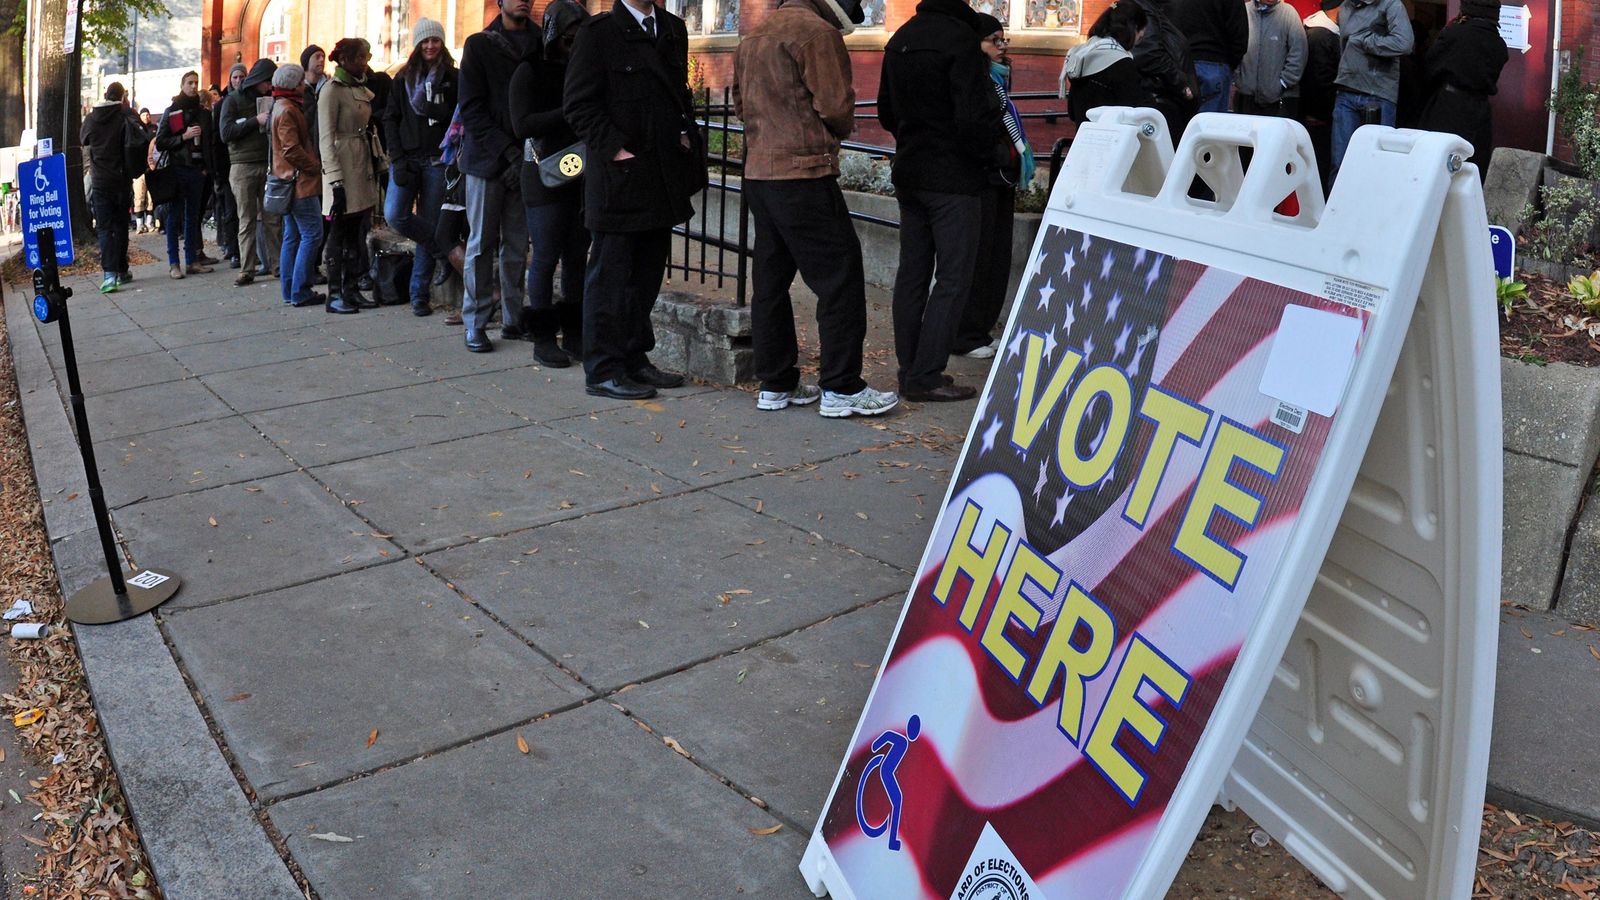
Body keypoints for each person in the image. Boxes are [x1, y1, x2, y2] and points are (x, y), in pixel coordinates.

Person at [731, 0, 900, 417]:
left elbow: (739, 103)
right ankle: (841, 387)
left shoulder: (754, 35)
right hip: (802, 172)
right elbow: (836, 105)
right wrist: (834, 129)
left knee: (770, 278)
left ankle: (776, 382)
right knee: (839, 278)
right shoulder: (815, 32)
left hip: (759, 171)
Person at [564, 0, 706, 399]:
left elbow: (678, 93)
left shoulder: (673, 29)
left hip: (661, 176)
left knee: (644, 279)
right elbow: (578, 104)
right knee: (610, 279)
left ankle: (634, 359)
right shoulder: (598, 33)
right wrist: (615, 149)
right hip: (619, 180)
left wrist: (683, 131)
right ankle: (603, 370)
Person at [878, 0, 1004, 403]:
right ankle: (926, 374)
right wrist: (987, 154)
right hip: (953, 176)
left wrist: (914, 135)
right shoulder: (960, 40)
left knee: (912, 273)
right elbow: (974, 116)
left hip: (911, 169)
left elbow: (885, 111)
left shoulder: (901, 37)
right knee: (953, 276)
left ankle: (909, 368)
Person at [458, 0, 543, 353]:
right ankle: (475, 322)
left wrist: (523, 156)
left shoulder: (540, 42)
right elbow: (472, 109)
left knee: (516, 246)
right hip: (487, 162)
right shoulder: (480, 44)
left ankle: (512, 318)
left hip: (527, 161)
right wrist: (508, 152)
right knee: (480, 246)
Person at [510, 0, 588, 365]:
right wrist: (567, 114)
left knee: (576, 256)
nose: (574, 46)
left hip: (580, 171)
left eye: (579, 40)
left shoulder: (583, 68)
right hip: (543, 174)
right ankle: (543, 337)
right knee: (545, 255)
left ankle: (574, 333)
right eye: (569, 39)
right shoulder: (531, 69)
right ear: (554, 36)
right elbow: (522, 123)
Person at [953, 15, 1035, 362]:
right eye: (993, 41)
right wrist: (1002, 155)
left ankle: (978, 330)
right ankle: (968, 333)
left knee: (995, 256)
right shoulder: (979, 81)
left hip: (999, 176)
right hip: (985, 177)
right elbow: (977, 129)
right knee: (982, 257)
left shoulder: (998, 79)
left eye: (1004, 40)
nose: (1002, 48)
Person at [382, 18, 458, 317]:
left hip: (439, 159)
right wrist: (397, 159)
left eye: (435, 40)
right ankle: (443, 251)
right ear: (416, 45)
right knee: (395, 214)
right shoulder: (403, 79)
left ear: (441, 43)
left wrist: (440, 111)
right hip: (408, 159)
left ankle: (419, 295)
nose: (430, 46)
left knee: (429, 219)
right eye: (425, 41)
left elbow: (459, 116)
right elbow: (390, 119)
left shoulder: (453, 77)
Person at [319, 38, 381, 314]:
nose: (364, 63)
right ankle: (334, 294)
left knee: (358, 231)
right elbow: (325, 138)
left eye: (366, 57)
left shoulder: (359, 87)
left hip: (361, 165)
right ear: (344, 60)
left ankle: (352, 288)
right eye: (360, 58)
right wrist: (335, 180)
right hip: (342, 168)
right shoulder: (331, 91)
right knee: (339, 231)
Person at [1417, 0, 1507, 177]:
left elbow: (1429, 66)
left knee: (1437, 167)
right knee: (1470, 169)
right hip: (1480, 113)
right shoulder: (1499, 45)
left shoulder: (1455, 33)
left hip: (1449, 107)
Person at [1329, 0, 1412, 175]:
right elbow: (1345, 47)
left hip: (1378, 94)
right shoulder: (1345, 7)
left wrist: (1364, 41)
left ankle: (1372, 202)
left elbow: (1404, 43)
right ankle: (1339, 203)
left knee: (1377, 165)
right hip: (1346, 89)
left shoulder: (1391, 5)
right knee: (1340, 163)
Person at [219, 57, 282, 286]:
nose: (270, 86)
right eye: (267, 82)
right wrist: (255, 121)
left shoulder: (269, 99)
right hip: (242, 166)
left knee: (272, 219)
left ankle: (277, 266)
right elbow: (225, 133)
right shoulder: (232, 101)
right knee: (246, 220)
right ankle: (247, 269)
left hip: (265, 163)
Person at [270, 63, 327, 310]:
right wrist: (314, 166)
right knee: (312, 234)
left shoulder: (280, 106)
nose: (304, 86)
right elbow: (291, 148)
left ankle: (290, 289)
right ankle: (300, 290)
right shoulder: (288, 110)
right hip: (298, 182)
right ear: (294, 85)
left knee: (292, 236)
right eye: (301, 83)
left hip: (288, 181)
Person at [80, 81, 143, 293]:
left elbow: (83, 139)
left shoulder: (91, 119)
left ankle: (109, 274)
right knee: (120, 226)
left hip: (100, 181)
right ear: (122, 97)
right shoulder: (124, 116)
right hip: (121, 180)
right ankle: (122, 269)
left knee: (104, 228)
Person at [157, 71, 217, 279]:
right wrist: (183, 137)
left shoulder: (203, 113)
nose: (193, 86)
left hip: (197, 170)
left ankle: (192, 260)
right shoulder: (172, 111)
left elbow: (209, 142)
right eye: (189, 83)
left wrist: (207, 168)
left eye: (196, 83)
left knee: (193, 216)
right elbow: (161, 141)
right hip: (177, 168)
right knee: (174, 217)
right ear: (182, 85)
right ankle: (174, 263)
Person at [1062, 2, 1149, 124]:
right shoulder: (1121, 63)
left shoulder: (1081, 55)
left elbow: (1072, 112)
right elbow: (1136, 111)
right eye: (1139, 37)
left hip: (1083, 137)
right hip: (1111, 138)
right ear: (1134, 28)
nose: (1136, 43)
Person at [1172, 0, 1247, 114]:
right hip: (1216, 64)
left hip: (1182, 63)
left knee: (1182, 125)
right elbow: (1240, 35)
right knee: (1211, 127)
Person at [1236, 0, 1307, 118]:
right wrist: (1239, 79)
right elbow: (1234, 46)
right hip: (1246, 95)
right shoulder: (1244, 11)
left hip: (1280, 98)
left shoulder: (1289, 13)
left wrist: (1284, 82)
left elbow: (1299, 52)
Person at [1299, 0, 1341, 189]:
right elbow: (1319, 82)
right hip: (1318, 119)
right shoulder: (1322, 35)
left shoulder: (1316, 31)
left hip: (1314, 116)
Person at [132, 108, 157, 232]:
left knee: (151, 196)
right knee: (139, 195)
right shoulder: (136, 129)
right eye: (143, 114)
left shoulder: (154, 129)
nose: (146, 116)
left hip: (152, 167)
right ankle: (139, 224)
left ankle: (149, 222)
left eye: (148, 114)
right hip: (139, 169)